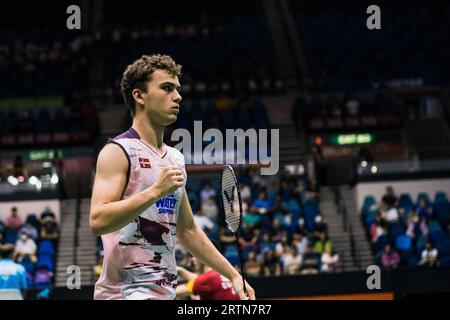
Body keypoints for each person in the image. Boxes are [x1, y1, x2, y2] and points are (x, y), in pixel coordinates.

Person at [89, 54, 254, 300]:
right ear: (139, 95)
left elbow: (187, 230)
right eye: (167, 88)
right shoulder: (118, 151)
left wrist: (232, 274)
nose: (177, 96)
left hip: (163, 293)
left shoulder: (175, 159)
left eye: (177, 89)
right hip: (125, 293)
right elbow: (98, 220)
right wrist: (156, 191)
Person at [176, 253, 240, 300]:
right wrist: (180, 271)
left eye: (196, 256)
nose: (193, 259)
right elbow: (199, 281)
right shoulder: (221, 273)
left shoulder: (207, 278)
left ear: (203, 258)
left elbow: (174, 292)